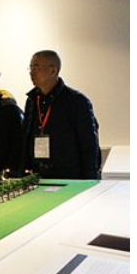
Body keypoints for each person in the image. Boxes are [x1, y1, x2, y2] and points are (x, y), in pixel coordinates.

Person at [23, 50, 100, 179]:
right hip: (37, 176)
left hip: (69, 177)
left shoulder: (76, 101)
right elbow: (26, 139)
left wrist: (89, 181)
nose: (31, 72)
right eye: (30, 68)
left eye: (36, 67)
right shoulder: (32, 100)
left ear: (53, 70)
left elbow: (89, 146)